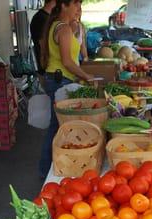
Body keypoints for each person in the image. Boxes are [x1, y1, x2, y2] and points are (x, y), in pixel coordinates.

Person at [39, 0, 94, 179]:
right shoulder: (63, 28)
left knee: (57, 126)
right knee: (57, 128)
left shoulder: (59, 25)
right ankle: (46, 170)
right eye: (75, 4)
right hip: (59, 80)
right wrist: (87, 76)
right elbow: (67, 61)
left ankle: (50, 168)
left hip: (57, 79)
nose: (78, 8)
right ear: (63, 5)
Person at [30, 0, 56, 77]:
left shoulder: (44, 17)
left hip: (48, 66)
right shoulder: (42, 18)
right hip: (47, 67)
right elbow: (42, 44)